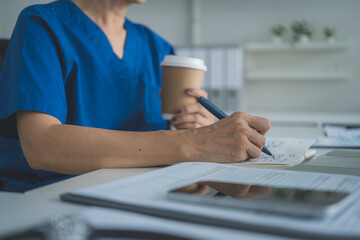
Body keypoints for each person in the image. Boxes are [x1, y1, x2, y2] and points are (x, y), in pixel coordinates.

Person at [0, 0, 270, 192]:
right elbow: (41, 147)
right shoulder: (42, 24)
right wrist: (192, 143)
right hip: (50, 199)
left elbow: (160, 158)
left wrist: (194, 145)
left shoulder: (158, 48)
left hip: (145, 197)